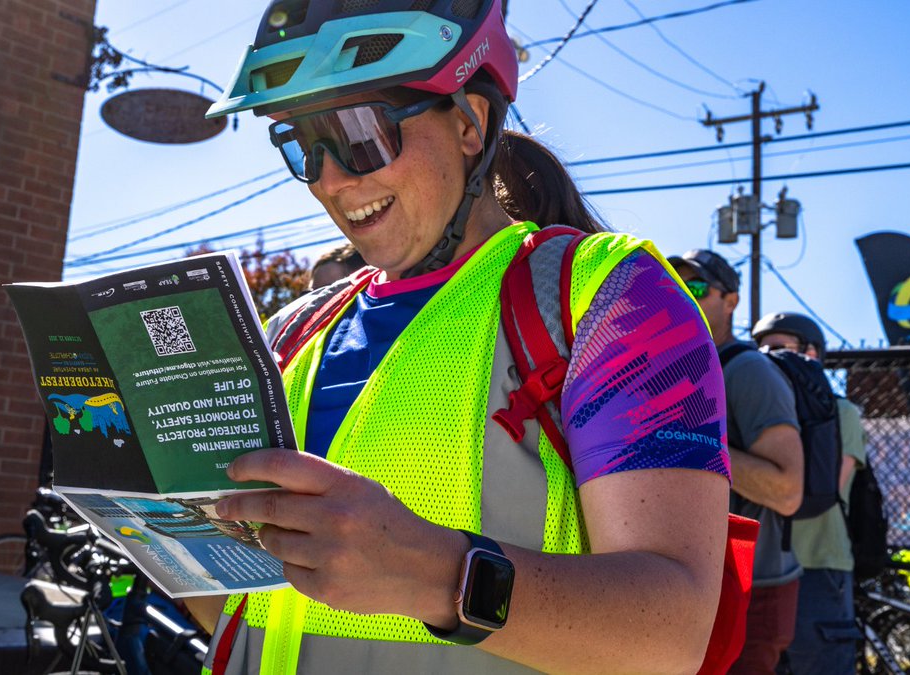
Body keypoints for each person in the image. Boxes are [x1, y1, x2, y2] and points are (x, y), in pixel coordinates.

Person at [183, 2, 732, 672]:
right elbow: (248, 615)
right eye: (300, 143)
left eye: (359, 132)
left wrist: (438, 576)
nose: (329, 179)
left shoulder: (605, 295)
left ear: (469, 122)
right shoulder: (294, 331)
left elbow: (672, 634)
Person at [670, 251, 805, 674]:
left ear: (731, 301)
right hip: (703, 585)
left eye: (696, 287)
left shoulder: (749, 371)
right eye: (675, 286)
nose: (683, 297)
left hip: (753, 590)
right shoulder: (687, 366)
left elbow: (787, 491)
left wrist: (689, 438)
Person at [750, 311, 865, 675]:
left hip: (819, 565)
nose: (767, 356)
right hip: (765, 569)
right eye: (761, 349)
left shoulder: (841, 411)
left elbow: (829, 486)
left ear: (813, 353)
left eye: (779, 348)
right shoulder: (755, 411)